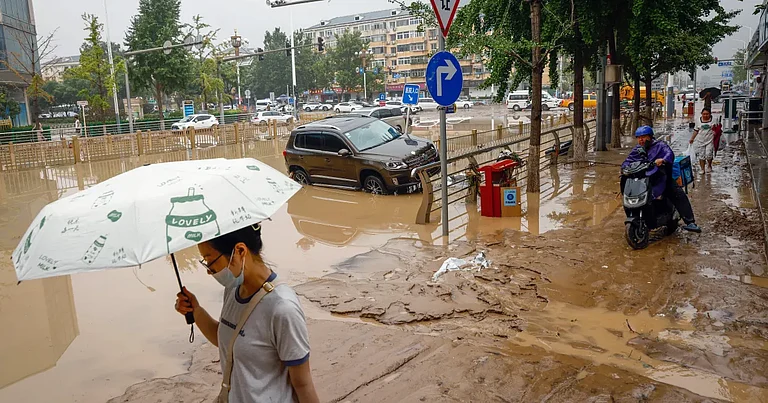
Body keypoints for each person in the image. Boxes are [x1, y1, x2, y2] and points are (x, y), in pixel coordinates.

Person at [174, 224, 320, 403]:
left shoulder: (282, 308)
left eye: (210, 261)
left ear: (240, 251)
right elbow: (228, 340)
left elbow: (303, 385)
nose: (209, 270)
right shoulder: (233, 288)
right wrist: (196, 311)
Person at [622, 126, 702, 233]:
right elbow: (628, 161)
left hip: (661, 178)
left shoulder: (660, 146)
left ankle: (690, 221)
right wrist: (624, 168)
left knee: (677, 193)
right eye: (639, 137)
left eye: (644, 137)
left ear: (650, 137)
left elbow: (669, 154)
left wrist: (663, 160)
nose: (641, 140)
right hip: (645, 180)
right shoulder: (637, 150)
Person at [689, 107, 715, 173]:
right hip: (700, 140)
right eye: (704, 114)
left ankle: (709, 165)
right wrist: (692, 138)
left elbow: (717, 129)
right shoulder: (698, 121)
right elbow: (696, 130)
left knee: (709, 154)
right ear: (701, 114)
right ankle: (702, 168)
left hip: (710, 140)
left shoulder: (714, 120)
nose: (705, 115)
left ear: (710, 114)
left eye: (707, 114)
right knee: (701, 155)